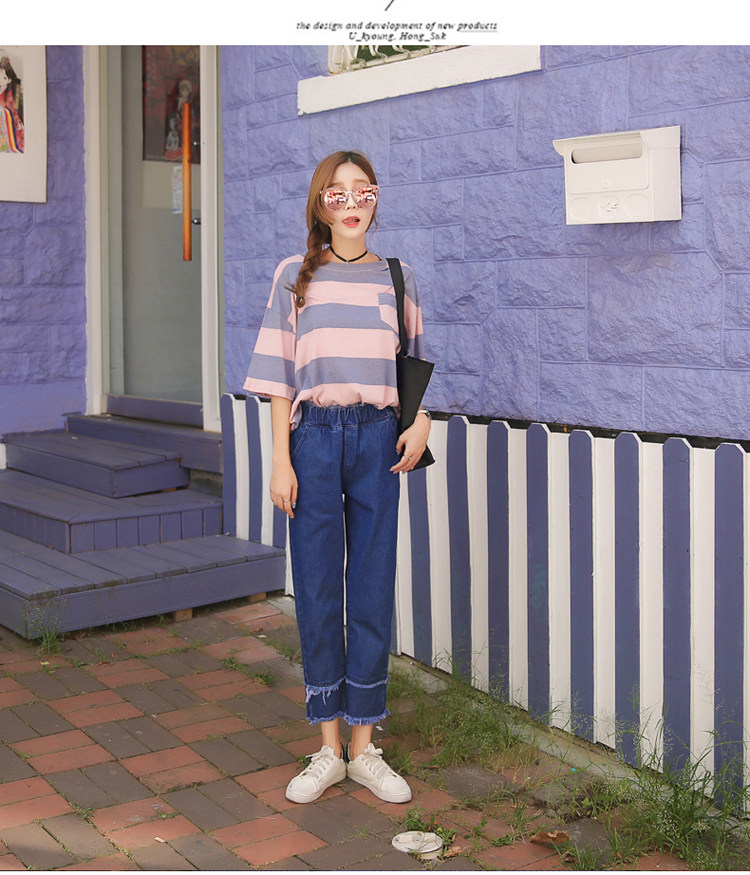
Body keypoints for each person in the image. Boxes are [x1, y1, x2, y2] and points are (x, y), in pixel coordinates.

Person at [244, 150, 431, 805]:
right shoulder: (293, 276)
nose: (352, 202)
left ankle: (365, 745)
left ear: (375, 198)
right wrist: (281, 459)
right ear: (320, 203)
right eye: (337, 192)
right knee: (320, 589)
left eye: (363, 190)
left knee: (372, 588)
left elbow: (414, 364)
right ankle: (327, 748)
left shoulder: (398, 277)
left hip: (379, 438)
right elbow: (277, 376)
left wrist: (422, 421)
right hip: (314, 440)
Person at [0, 56, 24, 154]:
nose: (1, 79)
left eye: (4, 78)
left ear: (9, 80)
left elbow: (13, 110)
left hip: (11, 124)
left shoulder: (12, 93)